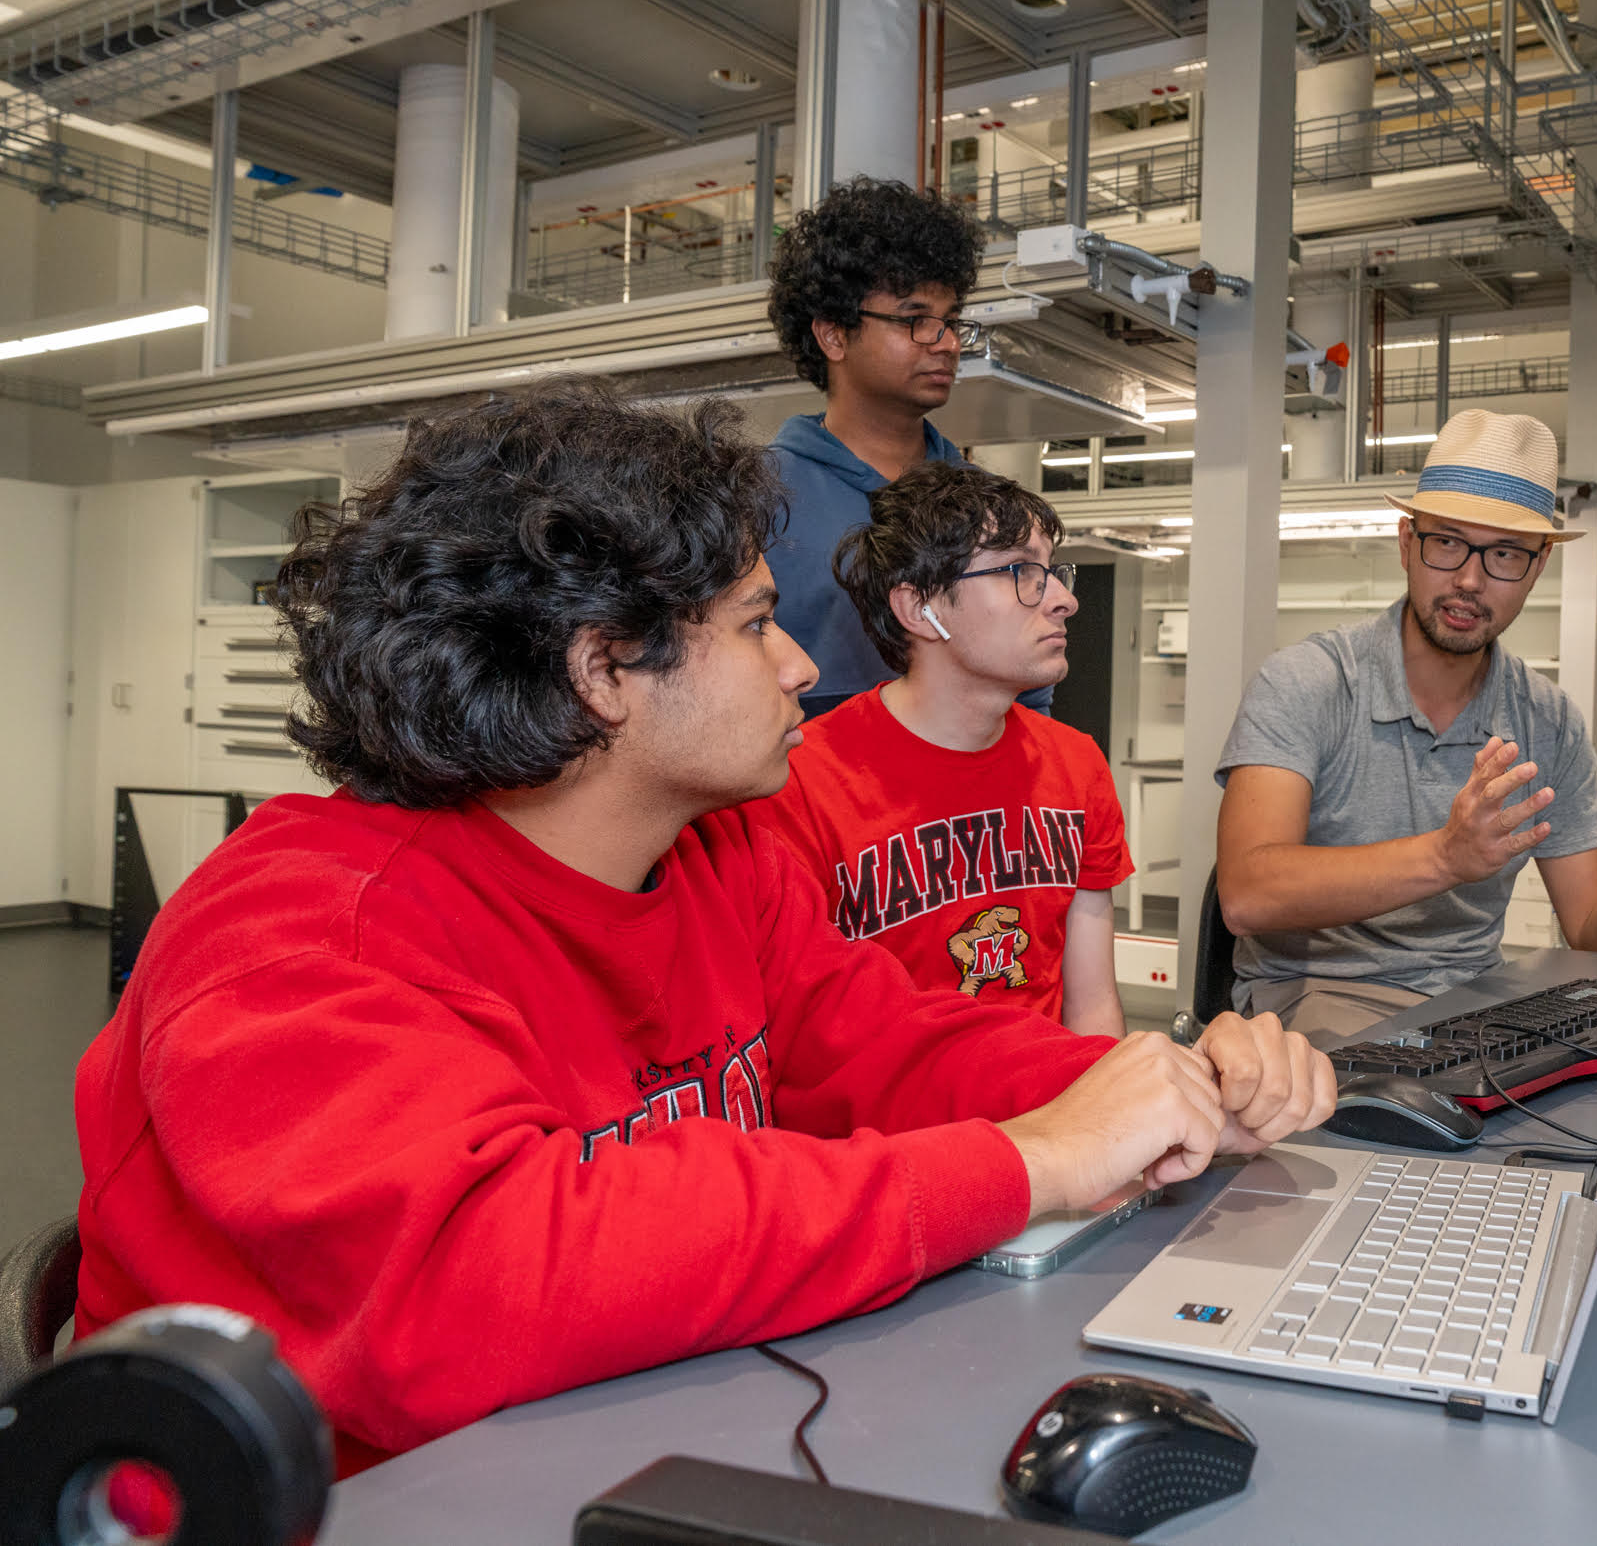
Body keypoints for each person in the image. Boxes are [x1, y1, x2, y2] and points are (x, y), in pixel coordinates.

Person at [71, 381, 1333, 1475]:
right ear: (600, 667)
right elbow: (487, 1274)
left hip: (638, 1425)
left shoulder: (717, 856)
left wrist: (1145, 1082)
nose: (797, 665)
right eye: (753, 622)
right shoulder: (301, 927)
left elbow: (883, 1043)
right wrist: (1032, 1162)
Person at [1213, 408, 1597, 1041]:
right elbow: (1247, 895)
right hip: (1315, 997)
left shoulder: (1546, 719)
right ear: (1408, 543)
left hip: (1477, 1004)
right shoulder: (1307, 684)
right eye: (1448, 542)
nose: (1468, 579)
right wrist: (1444, 857)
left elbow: (1594, 934)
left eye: (1505, 554)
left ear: (1537, 568)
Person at [737, 464, 1128, 1037]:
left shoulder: (1077, 765)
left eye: (1054, 571)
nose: (1064, 600)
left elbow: (1093, 1012)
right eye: (1022, 570)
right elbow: (803, 1034)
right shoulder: (799, 786)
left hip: (1051, 1107)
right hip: (894, 1121)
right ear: (920, 610)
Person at [762, 176, 1048, 718]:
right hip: (805, 793)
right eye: (915, 320)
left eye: (951, 322)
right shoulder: (755, 499)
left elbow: (1030, 691)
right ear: (834, 336)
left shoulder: (990, 506)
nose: (944, 343)